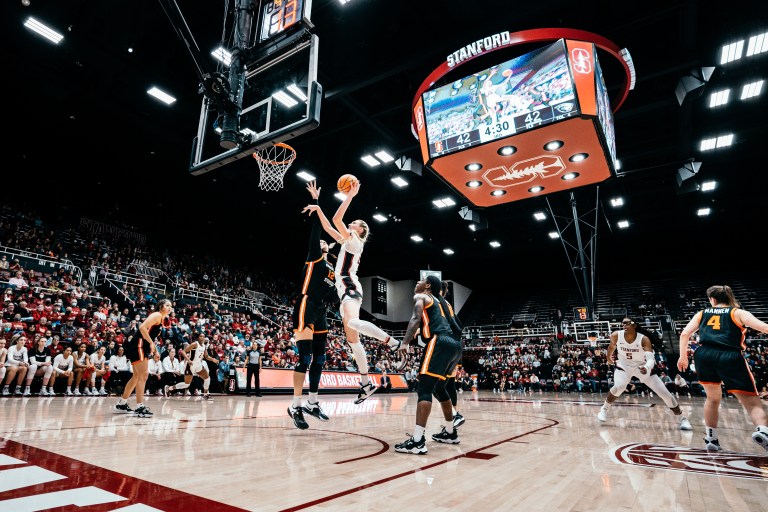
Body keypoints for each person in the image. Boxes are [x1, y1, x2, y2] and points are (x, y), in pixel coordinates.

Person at [313, 179, 401, 404]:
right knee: (353, 341)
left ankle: (392, 342)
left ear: (361, 230)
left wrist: (350, 196)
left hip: (350, 286)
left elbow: (336, 219)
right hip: (345, 291)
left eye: (354, 223)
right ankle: (365, 383)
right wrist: (317, 207)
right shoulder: (347, 242)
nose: (350, 224)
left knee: (352, 324)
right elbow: (329, 227)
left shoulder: (355, 242)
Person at [677, 285, 768, 452]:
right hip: (729, 355)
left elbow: (684, 334)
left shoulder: (702, 313)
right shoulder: (737, 312)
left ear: (712, 299)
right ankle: (764, 431)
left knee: (712, 398)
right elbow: (765, 328)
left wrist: (683, 357)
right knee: (750, 400)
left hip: (703, 354)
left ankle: (711, 439)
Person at [287, 181, 343, 430]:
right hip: (306, 304)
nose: (322, 243)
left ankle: (312, 402)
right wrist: (317, 203)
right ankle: (295, 405)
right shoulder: (314, 256)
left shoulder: (332, 268)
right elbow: (318, 231)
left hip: (321, 310)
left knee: (320, 359)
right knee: (305, 357)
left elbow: (334, 294)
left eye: (325, 243)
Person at [393, 275, 463, 454]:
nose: (417, 282)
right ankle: (450, 433)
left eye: (421, 280)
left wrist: (405, 342)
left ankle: (417, 441)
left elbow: (415, 320)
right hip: (456, 346)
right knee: (440, 388)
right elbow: (457, 327)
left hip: (439, 341)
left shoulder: (422, 297)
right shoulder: (446, 303)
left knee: (424, 389)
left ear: (428, 285)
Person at [598, 317, 691, 431]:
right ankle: (604, 409)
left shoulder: (644, 339)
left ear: (634, 325)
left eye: (627, 323)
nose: (624, 325)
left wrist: (646, 367)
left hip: (642, 367)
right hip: (624, 366)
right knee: (620, 386)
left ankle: (682, 418)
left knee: (664, 393)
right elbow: (611, 346)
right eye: (623, 323)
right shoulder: (616, 335)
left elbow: (651, 359)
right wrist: (608, 358)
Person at [115, 299, 172, 416]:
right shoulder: (157, 314)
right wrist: (151, 344)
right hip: (139, 344)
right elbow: (142, 327)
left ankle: (122, 403)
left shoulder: (161, 318)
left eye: (171, 306)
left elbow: (149, 335)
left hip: (142, 345)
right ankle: (139, 407)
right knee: (143, 375)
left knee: (136, 376)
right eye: (167, 305)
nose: (170, 307)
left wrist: (155, 349)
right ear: (160, 306)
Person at [164, 333, 215, 400]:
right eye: (201, 336)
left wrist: (214, 359)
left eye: (203, 336)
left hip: (198, 365)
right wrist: (188, 360)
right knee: (187, 384)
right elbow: (183, 351)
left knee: (207, 378)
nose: (202, 337)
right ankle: (169, 388)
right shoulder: (194, 344)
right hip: (191, 365)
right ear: (198, 338)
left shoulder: (204, 346)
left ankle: (205, 394)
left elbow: (206, 356)